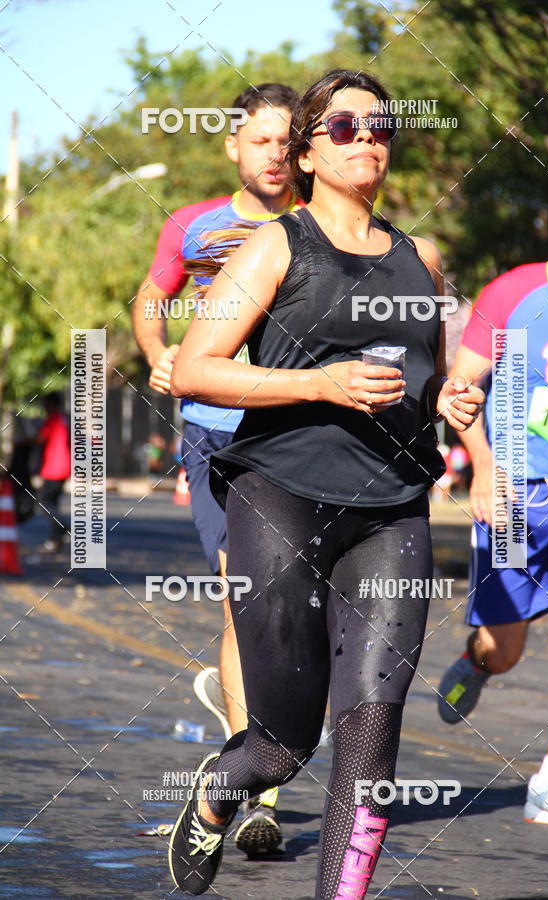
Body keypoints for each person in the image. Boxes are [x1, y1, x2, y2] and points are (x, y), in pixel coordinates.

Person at [167, 68, 484, 897]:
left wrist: (448, 401)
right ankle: (216, 794)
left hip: (393, 510)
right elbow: (195, 370)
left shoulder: (422, 259)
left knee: (372, 732)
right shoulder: (277, 247)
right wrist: (320, 383)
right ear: (308, 152)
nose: (366, 138)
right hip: (280, 497)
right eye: (344, 127)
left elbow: (429, 378)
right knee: (282, 744)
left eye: (380, 127)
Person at [132, 82, 300, 855]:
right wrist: (159, 351)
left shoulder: (316, 229)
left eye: (287, 141)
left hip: (296, 435)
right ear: (233, 145)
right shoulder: (193, 224)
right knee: (245, 601)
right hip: (215, 436)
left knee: (290, 610)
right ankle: (258, 789)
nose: (275, 154)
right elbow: (151, 296)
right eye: (260, 140)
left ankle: (254, 734)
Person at [438, 181, 548, 828]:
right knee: (505, 649)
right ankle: (477, 659)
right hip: (512, 493)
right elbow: (460, 388)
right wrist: (482, 466)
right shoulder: (515, 294)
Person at [36, 392, 70, 552]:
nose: (44, 407)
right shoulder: (64, 419)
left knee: (44, 502)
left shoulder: (53, 420)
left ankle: (63, 528)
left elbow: (39, 438)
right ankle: (56, 539)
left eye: (46, 403)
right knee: (53, 503)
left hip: (54, 468)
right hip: (64, 466)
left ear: (52, 404)